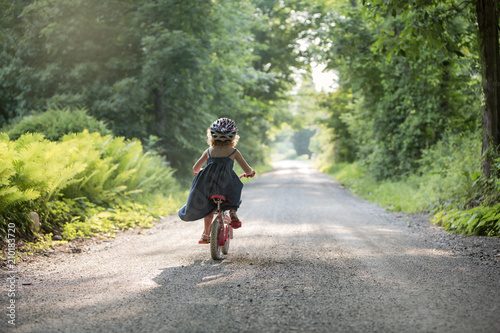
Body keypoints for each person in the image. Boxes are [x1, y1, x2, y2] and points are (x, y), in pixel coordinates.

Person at [178, 118, 255, 244]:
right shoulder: (233, 152)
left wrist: (200, 171)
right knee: (236, 188)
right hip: (227, 186)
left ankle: (205, 234)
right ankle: (232, 210)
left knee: (208, 209)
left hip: (208, 187)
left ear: (212, 136)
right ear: (233, 137)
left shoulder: (209, 151)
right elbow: (246, 169)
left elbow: (195, 168)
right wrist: (250, 173)